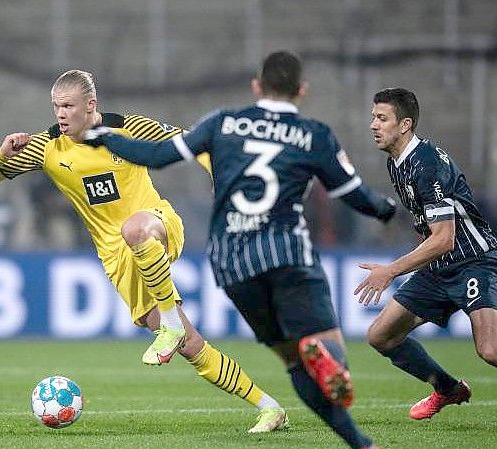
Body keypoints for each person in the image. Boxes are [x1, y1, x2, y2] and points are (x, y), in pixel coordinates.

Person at [84, 51, 394, 449]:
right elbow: (353, 195)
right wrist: (386, 210)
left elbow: (158, 156)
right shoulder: (314, 134)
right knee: (325, 346)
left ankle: (359, 443)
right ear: (302, 90)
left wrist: (104, 137)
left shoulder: (222, 122)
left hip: (234, 263)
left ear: (255, 86)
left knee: (292, 362)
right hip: (287, 252)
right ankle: (327, 357)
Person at [0, 69, 289, 433]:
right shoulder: (48, 148)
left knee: (134, 229)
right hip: (118, 260)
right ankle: (270, 408)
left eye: (68, 106)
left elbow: (194, 145)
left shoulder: (130, 128)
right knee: (191, 345)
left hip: (157, 225)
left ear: (90, 105)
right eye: (56, 106)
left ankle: (169, 325)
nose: (60, 114)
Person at [355, 87, 497, 419]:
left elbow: (444, 238)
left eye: (382, 118)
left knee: (489, 350)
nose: (373, 125)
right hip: (439, 267)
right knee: (381, 336)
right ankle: (449, 389)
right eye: (373, 117)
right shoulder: (397, 164)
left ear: (405, 125)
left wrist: (391, 270)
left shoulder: (427, 165)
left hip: (474, 262)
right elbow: (429, 231)